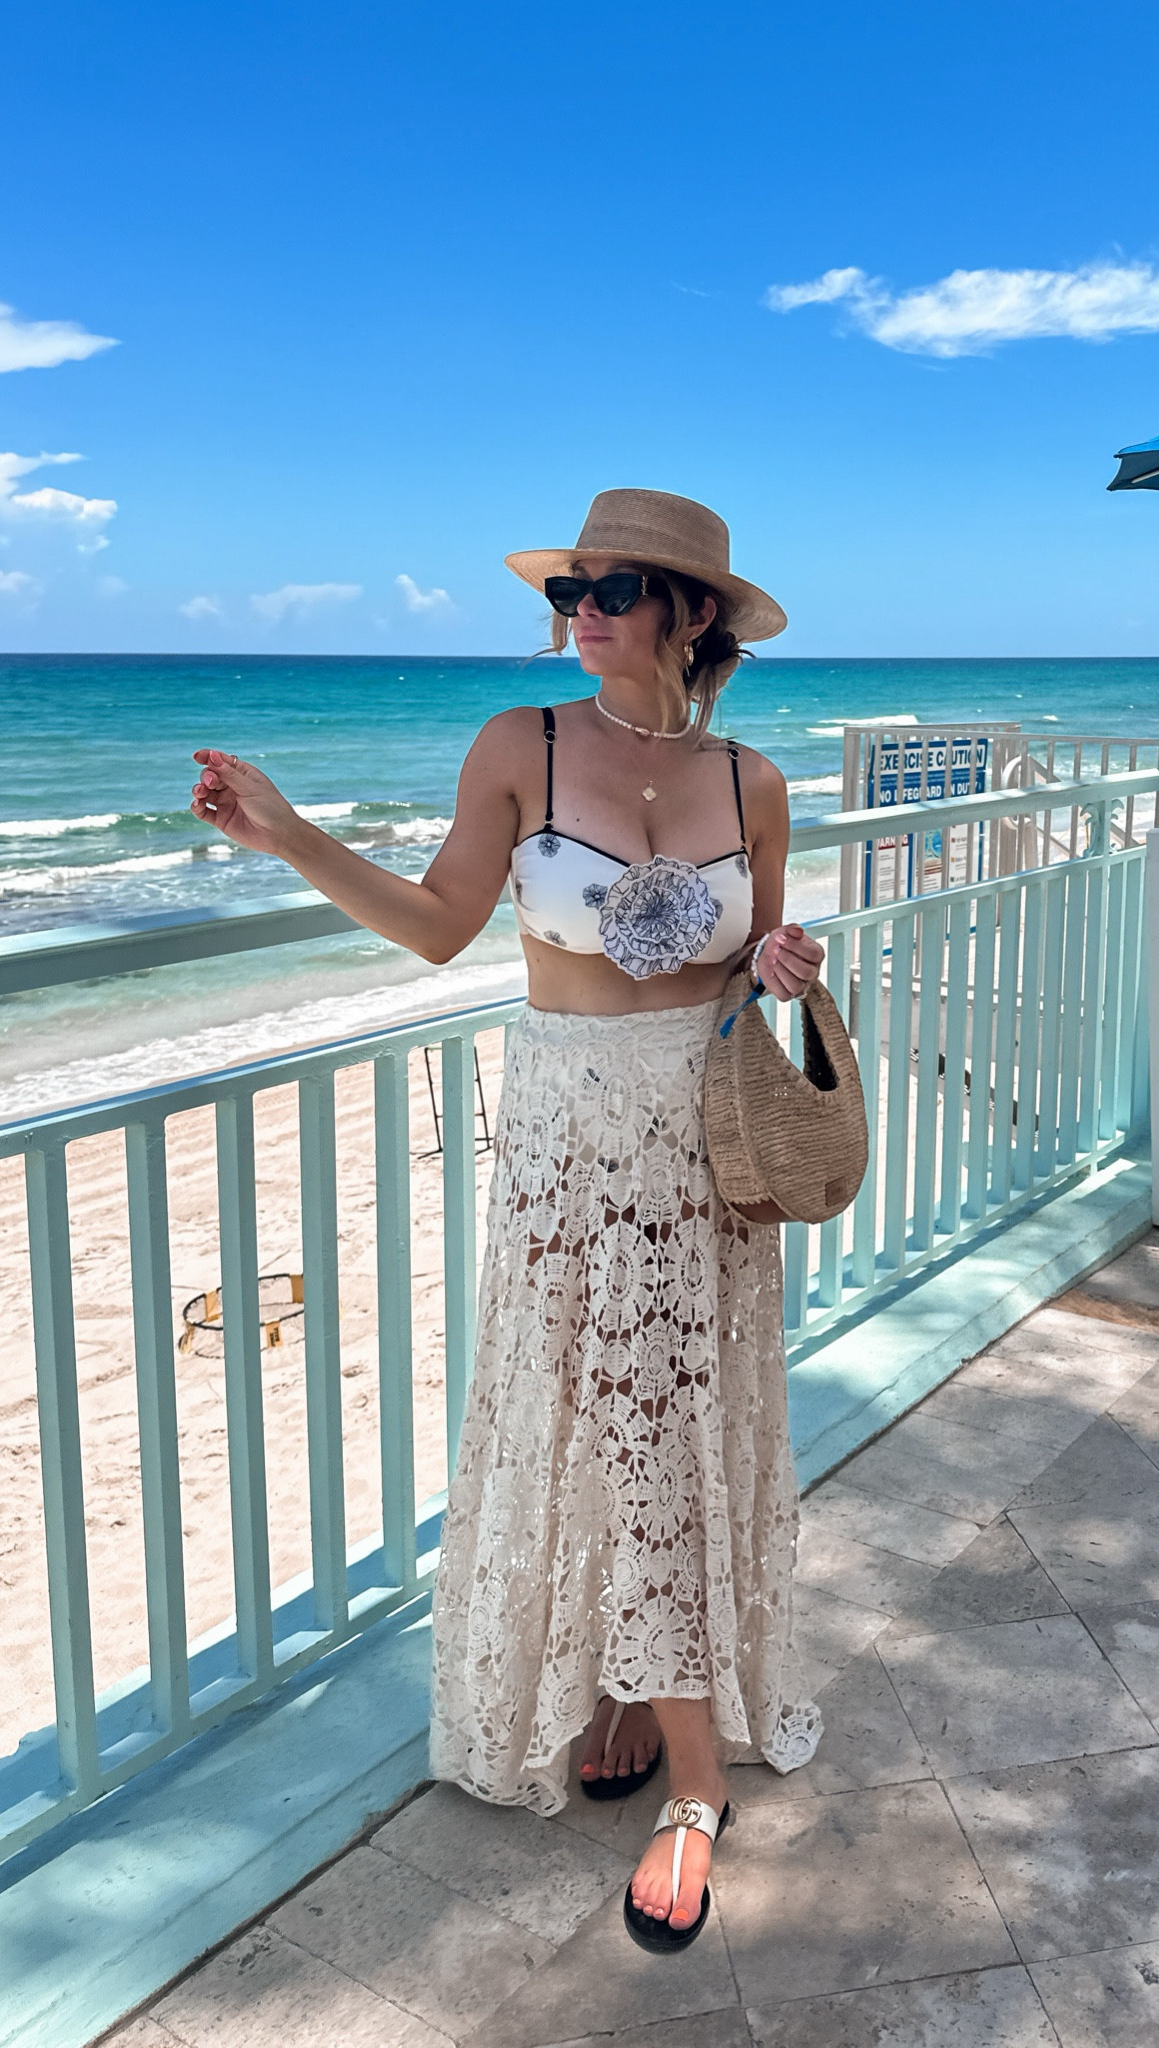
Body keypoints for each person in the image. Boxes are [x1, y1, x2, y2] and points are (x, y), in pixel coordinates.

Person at [190, 488, 823, 1953]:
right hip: (565, 1138)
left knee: (675, 1417)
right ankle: (630, 1690)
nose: (580, 608)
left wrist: (783, 961)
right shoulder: (520, 744)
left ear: (691, 614)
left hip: (704, 1141)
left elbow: (750, 969)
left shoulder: (757, 780)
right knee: (597, 1412)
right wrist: (288, 835)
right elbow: (436, 923)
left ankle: (693, 1777)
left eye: (614, 586)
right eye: (573, 587)